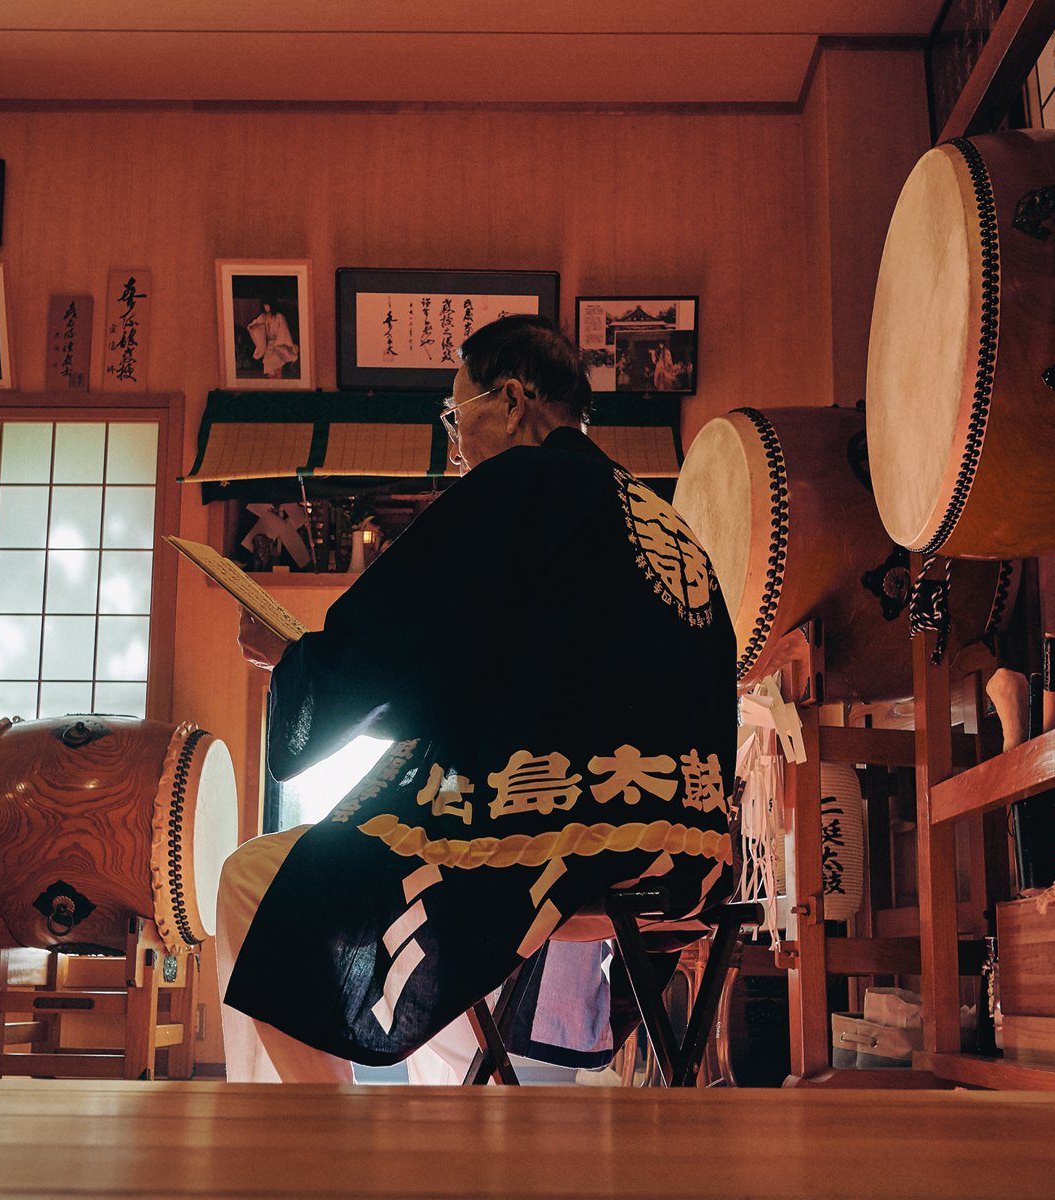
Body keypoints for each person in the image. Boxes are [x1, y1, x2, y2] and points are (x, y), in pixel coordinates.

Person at [215, 314, 735, 1083]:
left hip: (562, 839)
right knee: (444, 926)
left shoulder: (519, 485)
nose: (455, 442)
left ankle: (316, 1145)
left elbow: (399, 642)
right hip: (685, 852)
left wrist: (294, 665)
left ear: (513, 399)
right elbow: (503, 671)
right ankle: (467, 1120)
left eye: (456, 416)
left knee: (253, 881)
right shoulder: (657, 519)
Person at [245, 301, 298, 379]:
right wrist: (252, 326)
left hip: (278, 345)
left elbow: (283, 331)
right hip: (269, 347)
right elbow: (256, 323)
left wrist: (279, 343)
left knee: (277, 369)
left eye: (267, 305)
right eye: (264, 305)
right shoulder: (264, 317)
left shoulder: (279, 317)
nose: (266, 307)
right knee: (269, 369)